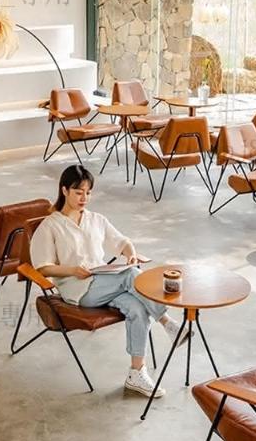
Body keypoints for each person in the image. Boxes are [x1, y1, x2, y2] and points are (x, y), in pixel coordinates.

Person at [30, 164, 186, 398]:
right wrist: (72, 270)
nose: (84, 198)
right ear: (64, 190)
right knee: (130, 275)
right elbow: (42, 267)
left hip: (106, 282)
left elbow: (123, 242)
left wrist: (130, 254)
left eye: (88, 193)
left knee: (137, 308)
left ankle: (136, 373)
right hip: (79, 290)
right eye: (78, 192)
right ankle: (167, 322)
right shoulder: (50, 226)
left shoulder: (96, 219)